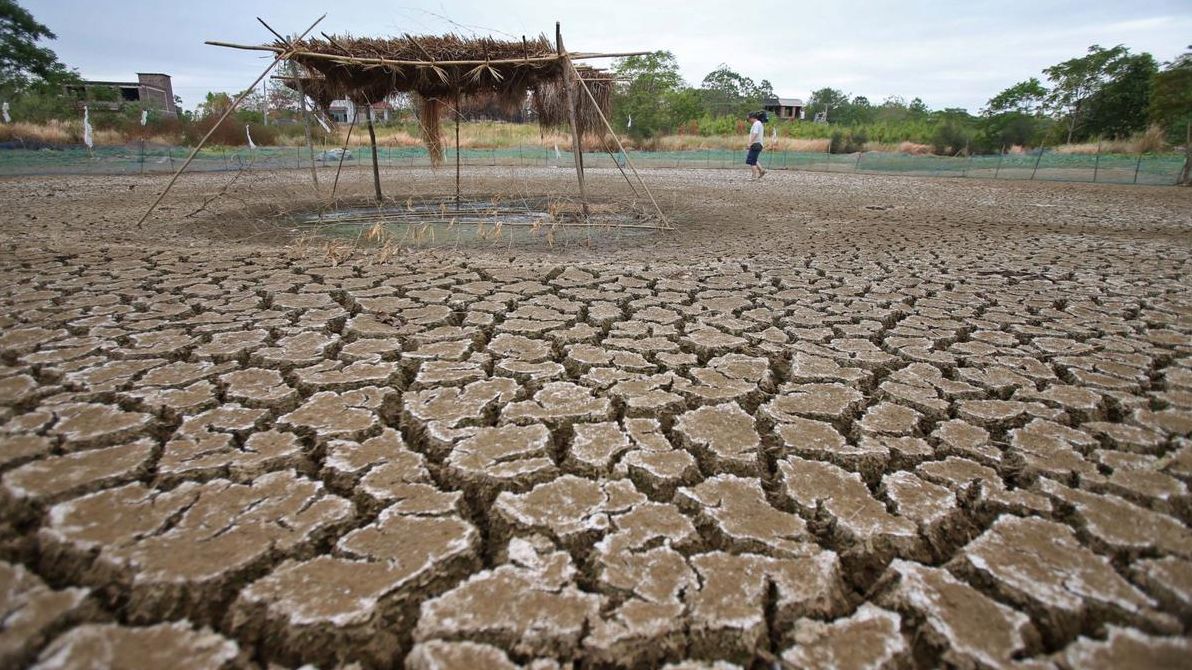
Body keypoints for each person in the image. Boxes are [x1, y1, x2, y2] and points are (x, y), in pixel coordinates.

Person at [745, 111, 767, 179]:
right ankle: (761, 170)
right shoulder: (759, 123)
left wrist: (750, 143)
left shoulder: (756, 124)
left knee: (752, 161)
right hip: (758, 144)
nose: (748, 121)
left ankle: (753, 176)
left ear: (752, 118)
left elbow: (755, 133)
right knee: (753, 158)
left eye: (748, 119)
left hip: (756, 144)